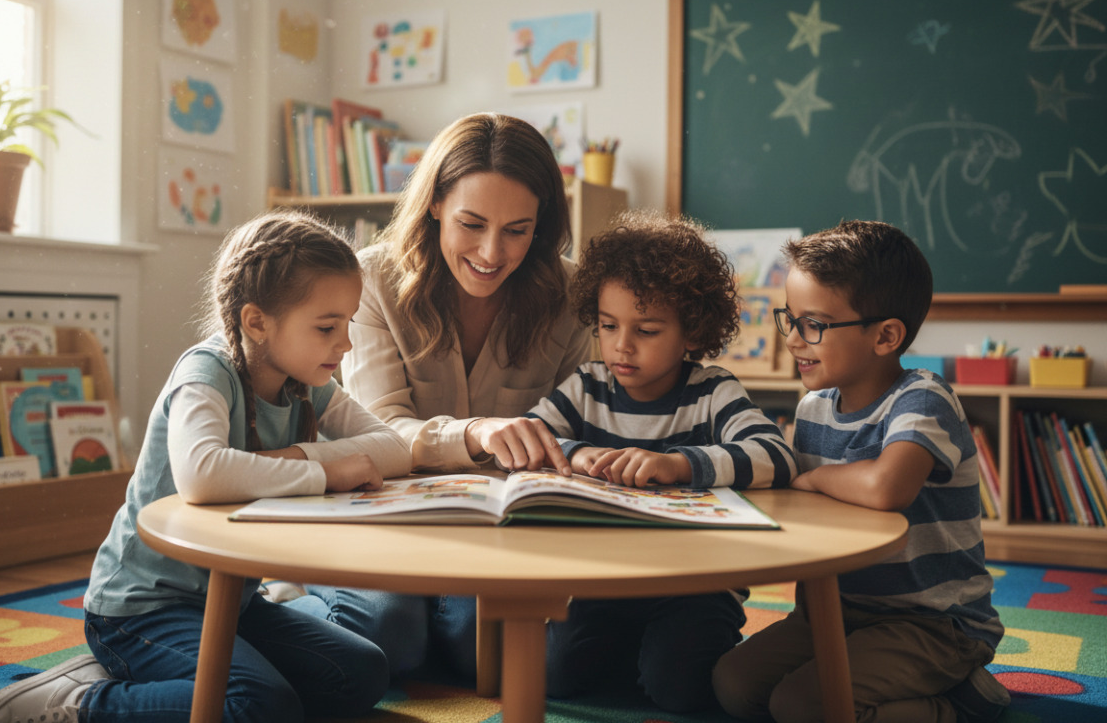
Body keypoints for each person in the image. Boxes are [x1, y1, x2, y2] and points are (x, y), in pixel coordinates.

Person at [0, 209, 412, 723]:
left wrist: (298, 457)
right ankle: (78, 702)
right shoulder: (207, 371)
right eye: (326, 327)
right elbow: (203, 475)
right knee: (258, 704)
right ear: (256, 322)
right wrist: (325, 472)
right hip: (139, 609)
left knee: (361, 672)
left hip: (234, 603)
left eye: (347, 323)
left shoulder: (310, 382)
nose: (345, 344)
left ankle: (222, 692)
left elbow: (393, 446)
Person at [289, 112, 592, 682]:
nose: (492, 252)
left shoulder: (571, 294)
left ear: (543, 224)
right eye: (471, 224)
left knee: (532, 659)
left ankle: (434, 614)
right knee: (388, 639)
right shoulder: (370, 280)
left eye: (518, 230)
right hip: (383, 511)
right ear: (433, 205)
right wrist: (475, 433)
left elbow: (580, 425)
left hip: (498, 533)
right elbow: (381, 432)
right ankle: (289, 592)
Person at [495, 208, 796, 712]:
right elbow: (530, 438)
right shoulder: (589, 386)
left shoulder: (711, 391)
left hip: (697, 588)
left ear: (693, 333)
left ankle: (658, 658)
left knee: (681, 690)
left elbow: (775, 455)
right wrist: (579, 451)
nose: (622, 345)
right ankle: (639, 655)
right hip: (603, 582)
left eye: (647, 330)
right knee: (554, 676)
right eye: (609, 326)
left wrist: (680, 466)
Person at [712, 219, 1009, 723]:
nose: (795, 340)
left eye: (815, 325)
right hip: (833, 611)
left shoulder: (923, 397)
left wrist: (811, 478)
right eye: (791, 319)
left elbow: (886, 486)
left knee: (801, 705)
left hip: (932, 623)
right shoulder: (812, 408)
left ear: (886, 336)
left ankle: (959, 704)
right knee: (732, 685)